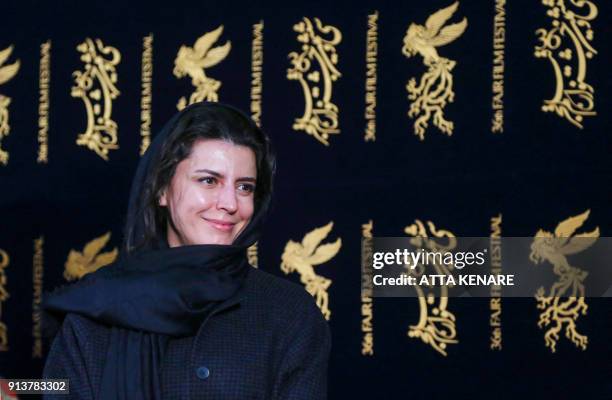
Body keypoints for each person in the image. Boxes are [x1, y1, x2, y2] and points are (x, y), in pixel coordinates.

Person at [42, 102, 331, 399]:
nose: (230, 203)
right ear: (161, 189)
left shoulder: (289, 313)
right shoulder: (94, 312)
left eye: (244, 187)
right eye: (209, 181)